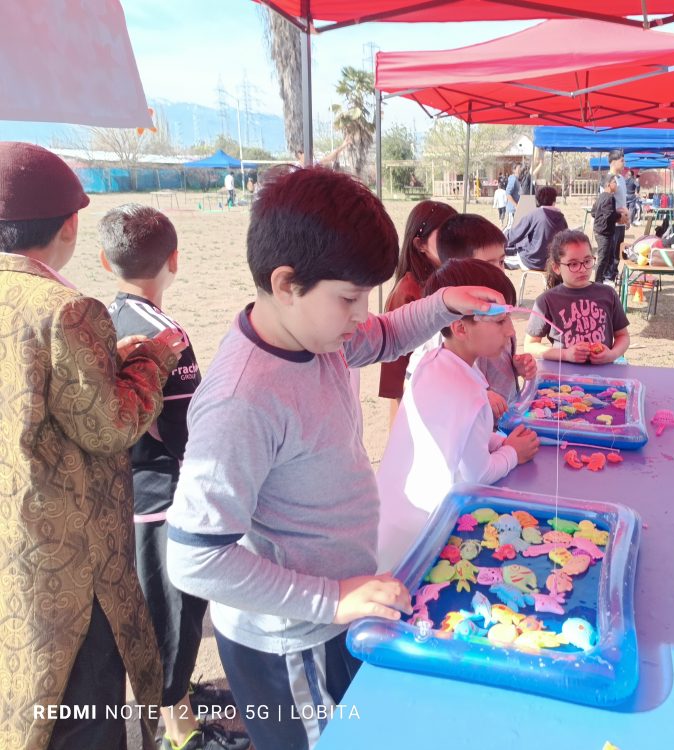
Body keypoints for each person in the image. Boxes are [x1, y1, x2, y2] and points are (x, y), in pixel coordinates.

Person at [165, 167, 504, 750]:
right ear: (286, 282)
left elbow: (385, 335)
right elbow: (196, 560)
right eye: (349, 298)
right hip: (288, 641)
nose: (359, 315)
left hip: (333, 610)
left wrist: (444, 302)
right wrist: (332, 598)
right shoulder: (242, 399)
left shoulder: (318, 333)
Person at [0, 142, 187, 749]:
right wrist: (152, 361)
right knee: (82, 712)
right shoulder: (68, 308)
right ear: (72, 224)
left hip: (13, 533)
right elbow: (110, 425)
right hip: (70, 561)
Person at [98, 204, 249, 750]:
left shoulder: (99, 323)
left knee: (152, 611)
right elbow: (186, 428)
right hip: (164, 499)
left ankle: (179, 698)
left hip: (122, 497)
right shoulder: (168, 336)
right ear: (175, 261)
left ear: (104, 258)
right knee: (175, 615)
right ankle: (178, 731)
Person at [377, 259, 540, 569]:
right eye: (500, 321)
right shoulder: (472, 396)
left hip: (391, 518)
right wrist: (511, 453)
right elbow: (477, 475)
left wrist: (493, 440)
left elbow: (453, 433)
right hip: (424, 537)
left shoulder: (429, 361)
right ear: (461, 328)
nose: (509, 331)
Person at [408, 213, 536, 415]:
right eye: (488, 263)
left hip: (507, 422)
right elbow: (435, 382)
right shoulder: (444, 326)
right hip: (478, 426)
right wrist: (480, 394)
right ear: (457, 266)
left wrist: (516, 367)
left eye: (502, 262)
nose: (498, 271)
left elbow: (500, 359)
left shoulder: (498, 303)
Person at [378, 200, 458, 420]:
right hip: (418, 404)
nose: (455, 243)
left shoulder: (449, 281)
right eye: (445, 236)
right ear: (420, 244)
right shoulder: (407, 292)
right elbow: (396, 375)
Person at [524, 229, 630, 364]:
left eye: (587, 261)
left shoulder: (608, 294)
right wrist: (566, 354)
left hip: (604, 375)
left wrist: (612, 354)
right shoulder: (547, 300)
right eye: (573, 264)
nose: (582, 269)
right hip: (563, 375)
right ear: (556, 267)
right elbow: (530, 345)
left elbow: (623, 336)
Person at [504, 185, 568, 271]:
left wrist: (498, 238)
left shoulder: (535, 215)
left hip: (532, 261)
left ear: (537, 200)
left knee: (498, 258)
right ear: (554, 201)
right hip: (552, 263)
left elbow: (514, 235)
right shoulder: (561, 218)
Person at [591, 175, 619, 286]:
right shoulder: (609, 198)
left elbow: (593, 212)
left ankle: (601, 280)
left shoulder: (601, 196)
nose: (616, 185)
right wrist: (619, 216)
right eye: (614, 182)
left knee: (606, 257)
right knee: (602, 259)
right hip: (604, 233)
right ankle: (597, 283)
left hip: (599, 231)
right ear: (608, 184)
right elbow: (610, 215)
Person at [606, 150, 629, 285]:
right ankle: (607, 276)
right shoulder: (609, 180)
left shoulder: (621, 179)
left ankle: (614, 274)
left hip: (622, 222)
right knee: (610, 250)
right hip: (613, 222)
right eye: (622, 160)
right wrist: (617, 214)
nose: (624, 163)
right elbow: (606, 203)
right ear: (613, 162)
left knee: (617, 251)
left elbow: (623, 201)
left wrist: (627, 217)